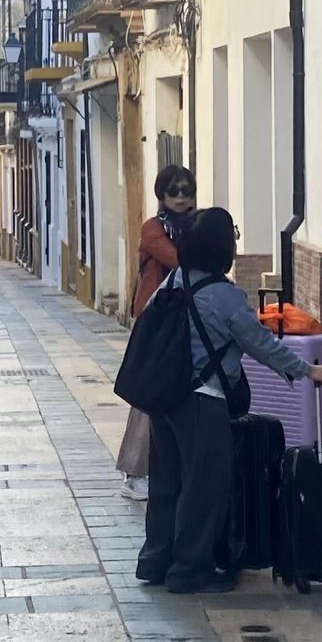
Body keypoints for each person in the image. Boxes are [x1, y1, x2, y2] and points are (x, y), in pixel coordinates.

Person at [137, 207, 322, 594]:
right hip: (202, 400)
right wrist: (309, 371)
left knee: (167, 483)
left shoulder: (173, 282)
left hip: (164, 398)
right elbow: (262, 344)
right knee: (204, 486)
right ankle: (190, 569)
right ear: (222, 248)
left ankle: (156, 560)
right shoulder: (226, 297)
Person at [117, 164, 197, 502]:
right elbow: (180, 260)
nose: (181, 197)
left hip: (188, 316)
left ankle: (168, 468)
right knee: (149, 395)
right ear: (161, 194)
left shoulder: (195, 225)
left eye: (186, 190)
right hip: (156, 320)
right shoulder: (153, 229)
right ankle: (135, 472)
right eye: (173, 191)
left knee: (174, 393)